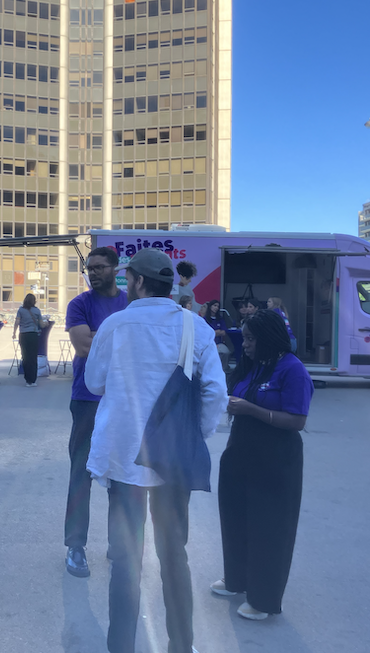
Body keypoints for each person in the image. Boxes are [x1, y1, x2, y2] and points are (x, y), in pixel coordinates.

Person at [85, 248, 228, 653]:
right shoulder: (194, 327)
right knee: (173, 556)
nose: (125, 284)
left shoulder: (115, 325)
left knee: (126, 562)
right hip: (171, 465)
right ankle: (181, 646)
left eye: (129, 279)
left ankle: (121, 647)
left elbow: (95, 383)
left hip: (123, 459)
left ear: (140, 282)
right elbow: (215, 391)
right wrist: (191, 436)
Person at [212, 309, 314, 620]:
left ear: (268, 339)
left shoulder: (292, 370)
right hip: (241, 452)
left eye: (251, 339)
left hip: (275, 458)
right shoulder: (254, 366)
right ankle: (237, 580)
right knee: (235, 517)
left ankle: (263, 599)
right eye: (243, 338)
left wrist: (251, 409)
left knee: (268, 528)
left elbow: (297, 420)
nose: (244, 344)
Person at [63, 246, 129, 578]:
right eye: (89, 268)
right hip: (87, 399)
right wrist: (124, 346)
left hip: (123, 401)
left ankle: (119, 544)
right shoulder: (80, 304)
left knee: (121, 473)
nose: (93, 273)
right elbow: (84, 347)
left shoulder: (130, 302)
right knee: (82, 473)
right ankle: (75, 547)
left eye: (100, 267)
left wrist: (103, 339)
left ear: (116, 268)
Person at [12, 293, 44, 387]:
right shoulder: (37, 311)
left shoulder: (21, 310)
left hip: (24, 335)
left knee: (25, 357)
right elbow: (41, 325)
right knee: (33, 357)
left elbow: (17, 322)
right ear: (34, 301)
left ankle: (27, 380)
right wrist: (46, 324)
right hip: (34, 335)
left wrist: (14, 333)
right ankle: (33, 380)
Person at [203, 299, 232, 372]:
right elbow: (205, 333)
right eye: (214, 305)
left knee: (226, 352)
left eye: (217, 306)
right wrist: (216, 332)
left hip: (219, 343)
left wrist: (214, 332)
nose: (216, 308)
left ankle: (223, 369)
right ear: (210, 307)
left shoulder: (220, 319)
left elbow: (224, 332)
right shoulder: (205, 319)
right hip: (208, 344)